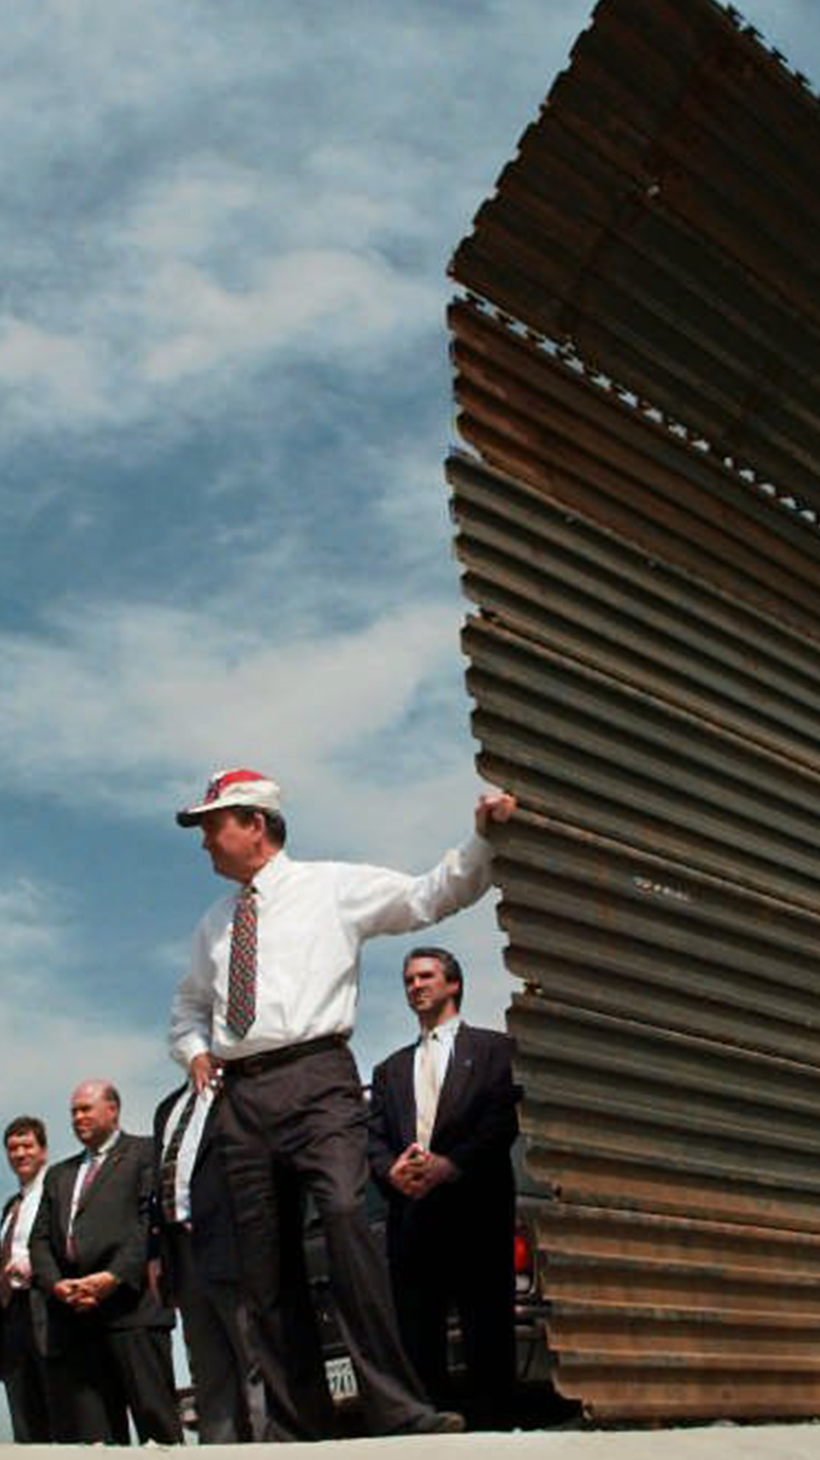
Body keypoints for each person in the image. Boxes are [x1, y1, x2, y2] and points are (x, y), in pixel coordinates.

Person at [169, 765, 515, 1440]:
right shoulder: (214, 924)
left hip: (319, 1077)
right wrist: (195, 1050)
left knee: (349, 1221)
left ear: (256, 826)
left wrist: (480, 841)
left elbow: (428, 897)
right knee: (265, 1265)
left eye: (213, 826)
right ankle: (298, 1427)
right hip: (242, 1096)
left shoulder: (330, 888)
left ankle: (397, 1405)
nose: (205, 841)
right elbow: (188, 1005)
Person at [368, 947, 519, 1430]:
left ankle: (496, 1434)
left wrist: (452, 1166)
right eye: (408, 979)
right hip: (413, 1223)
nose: (416, 985)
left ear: (453, 984)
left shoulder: (496, 1051)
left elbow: (502, 1122)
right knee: (419, 1342)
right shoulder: (389, 1070)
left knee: (487, 1337)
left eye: (426, 976)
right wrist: (390, 1170)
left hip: (476, 1215)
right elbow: (371, 1138)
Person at [152, 1078, 332, 1442]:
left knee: (255, 1360)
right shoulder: (168, 1109)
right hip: (184, 1254)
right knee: (210, 1370)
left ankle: (274, 1444)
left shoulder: (242, 1091)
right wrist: (158, 1256)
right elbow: (161, 1186)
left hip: (235, 1245)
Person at [29, 1080, 182, 1445]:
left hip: (134, 1313)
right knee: (96, 1437)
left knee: (156, 1427)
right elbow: (39, 1240)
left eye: (85, 1108)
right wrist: (56, 1285)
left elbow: (150, 1223)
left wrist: (113, 1276)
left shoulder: (145, 1152)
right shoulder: (58, 1175)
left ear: (112, 1110)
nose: (77, 1117)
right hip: (79, 1320)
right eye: (73, 1112)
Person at [0, 1117, 53, 1442]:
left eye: (27, 1146)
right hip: (11, 1317)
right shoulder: (10, 1207)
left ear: (43, 1151)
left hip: (45, 1312)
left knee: (55, 1408)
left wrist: (35, 1267)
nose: (20, 1154)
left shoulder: (56, 1191)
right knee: (24, 1414)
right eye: (12, 1148)